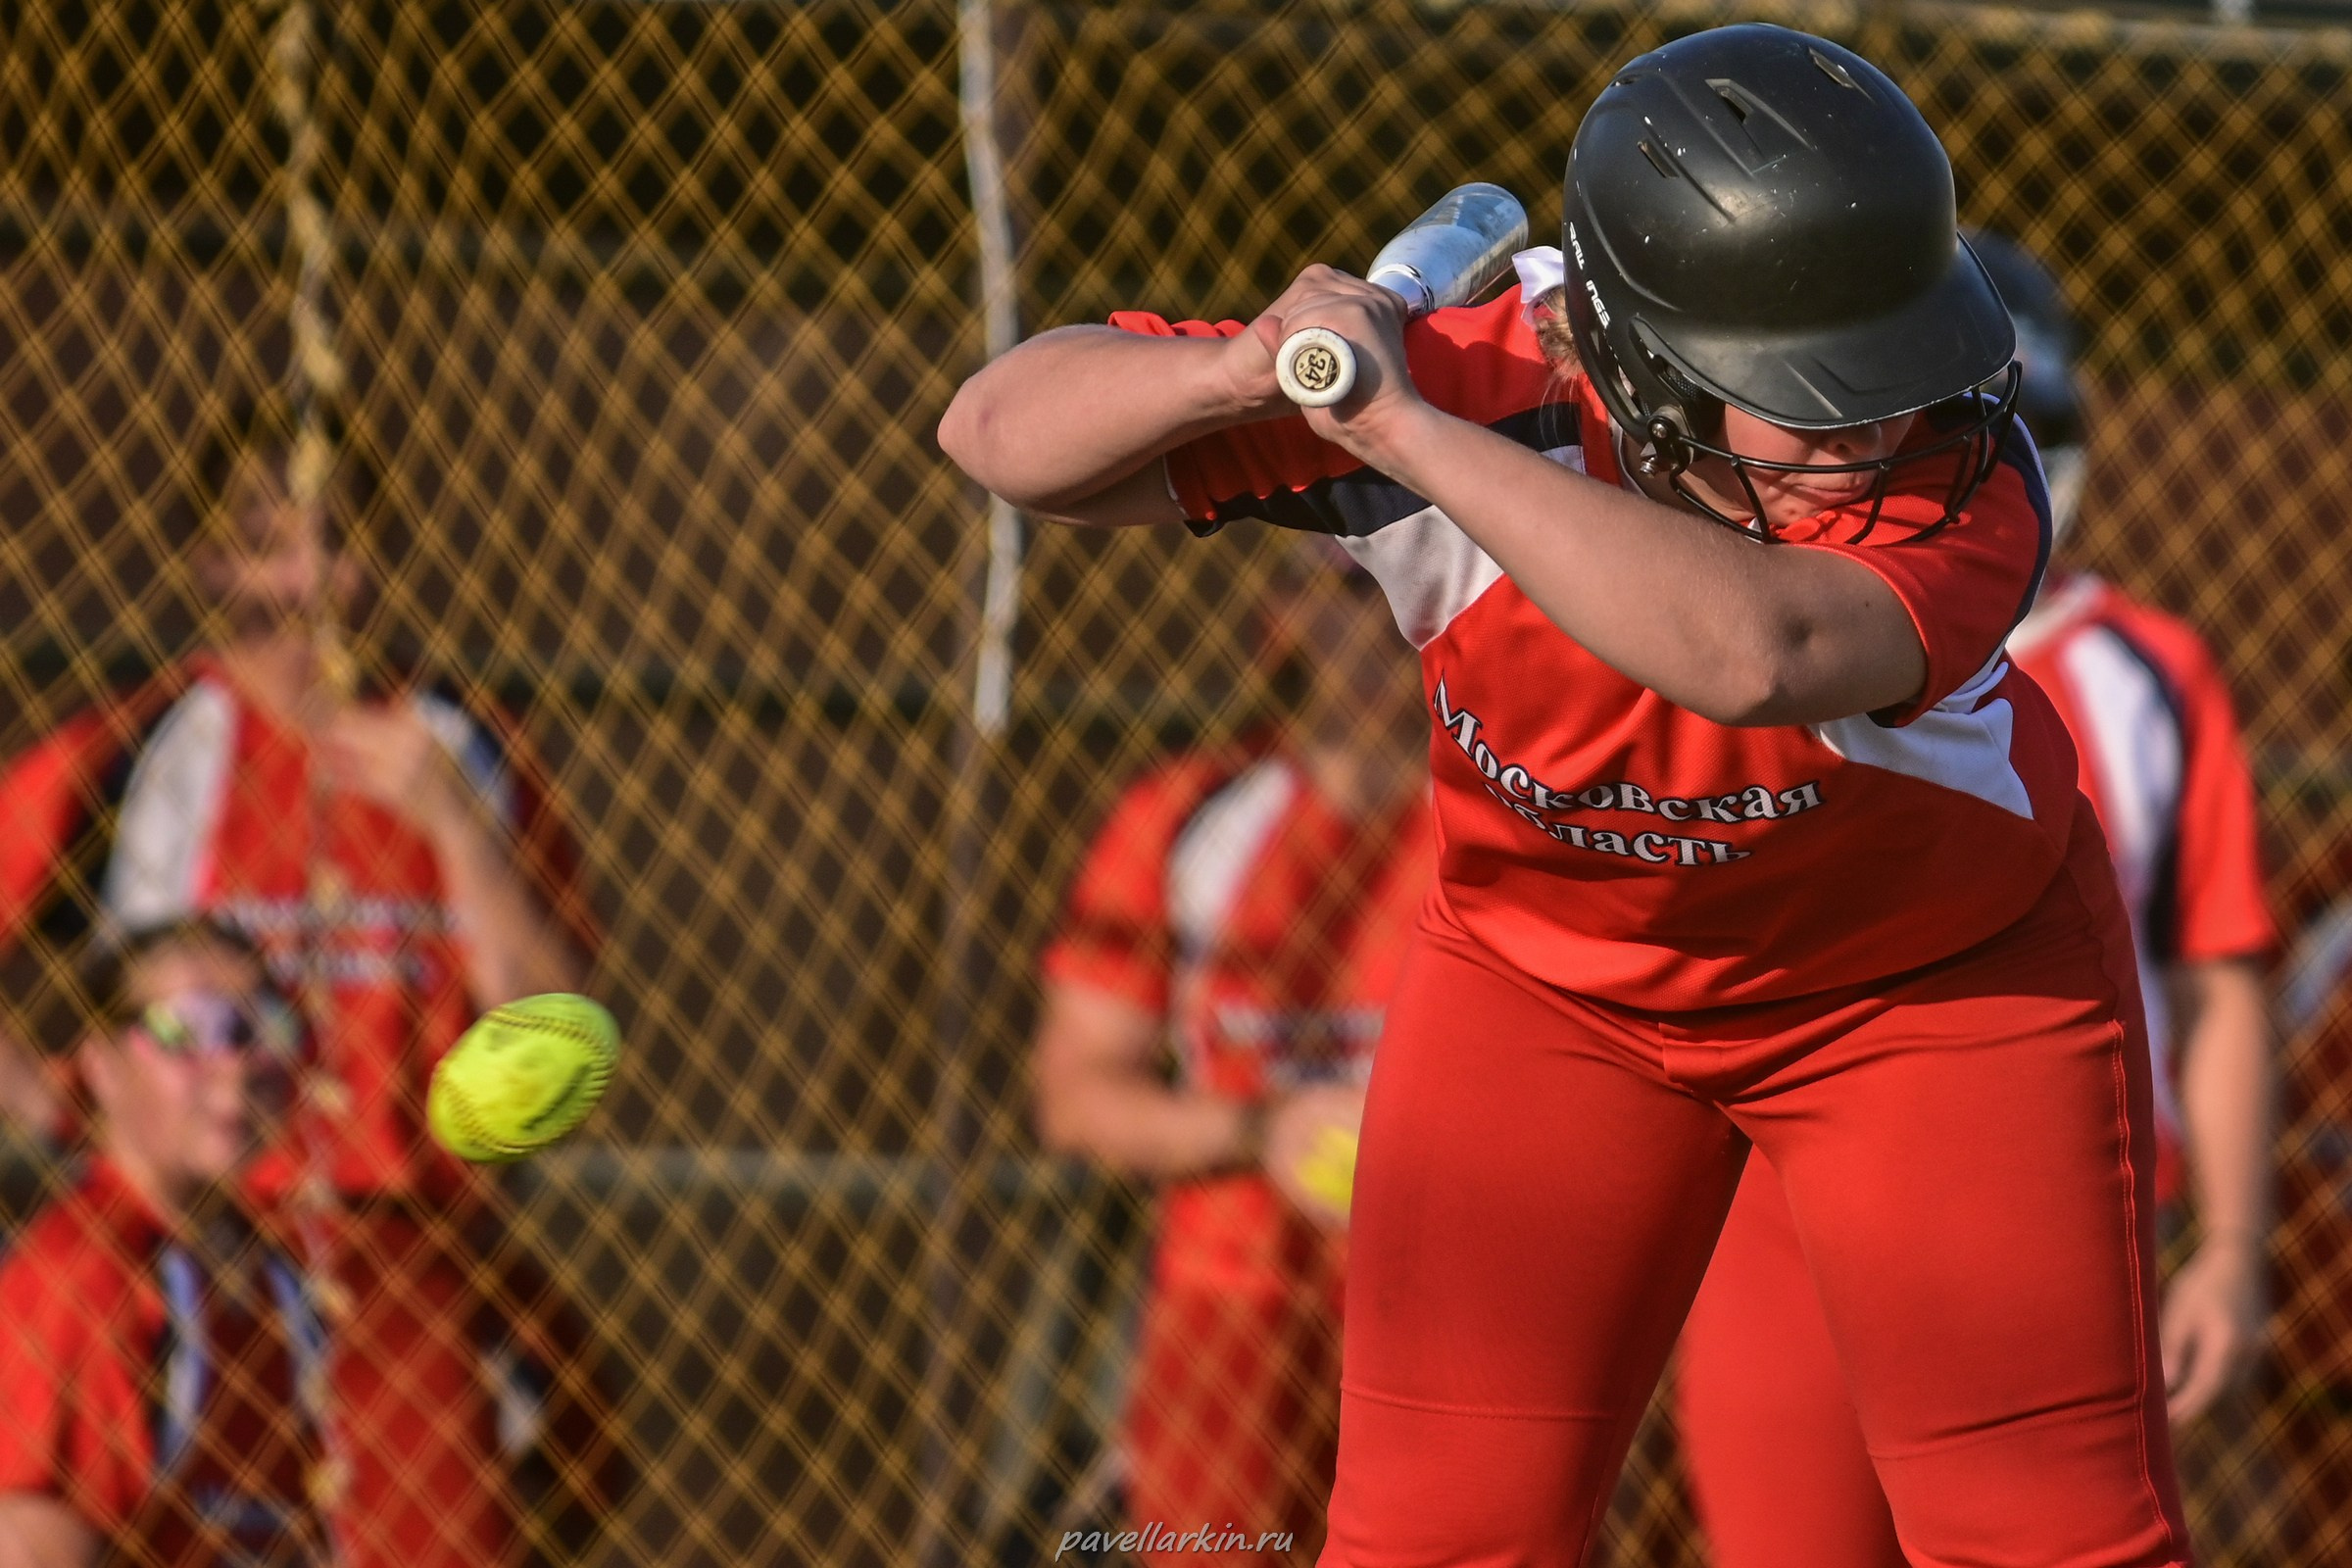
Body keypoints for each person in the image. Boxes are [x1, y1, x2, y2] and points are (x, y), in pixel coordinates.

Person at [943, 24, 2191, 1565]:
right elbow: (999, 434)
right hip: (1552, 994)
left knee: (2042, 1536)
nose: (1875, 432)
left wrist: (1399, 434)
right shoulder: (1478, 380)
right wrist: (1244, 370)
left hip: (1929, 989)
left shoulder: (1960, 474)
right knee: (1436, 1534)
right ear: (1644, 368)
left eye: (1893, 371)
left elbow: (1760, 649)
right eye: (1813, 395)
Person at [1670, 230, 2278, 1568]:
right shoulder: (1748, 639)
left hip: (2066, 1192)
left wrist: (2233, 1247)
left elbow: (2220, 976)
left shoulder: (2144, 670)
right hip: (1776, 1199)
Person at [0, 407, 603, 1566]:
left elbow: (563, 1037)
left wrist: (456, 831)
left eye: (330, 539)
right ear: (210, 561)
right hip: (204, 1250)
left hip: (404, 1265)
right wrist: (62, 1100)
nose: (301, 577)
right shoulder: (149, 748)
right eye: (265, 540)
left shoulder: (452, 750)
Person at [1034, 541, 1431, 1562]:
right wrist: (1266, 1129)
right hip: (1231, 1303)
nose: (1381, 611)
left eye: (1413, 573)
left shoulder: (1509, 824)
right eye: (1346, 582)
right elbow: (1076, 1093)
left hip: (1454, 1301)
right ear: (1281, 615)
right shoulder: (1193, 817)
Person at [0, 919, 332, 1568]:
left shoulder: (273, 1272)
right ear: (101, 1065)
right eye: (185, 1031)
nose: (234, 1062)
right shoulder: (89, 1272)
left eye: (262, 1026)